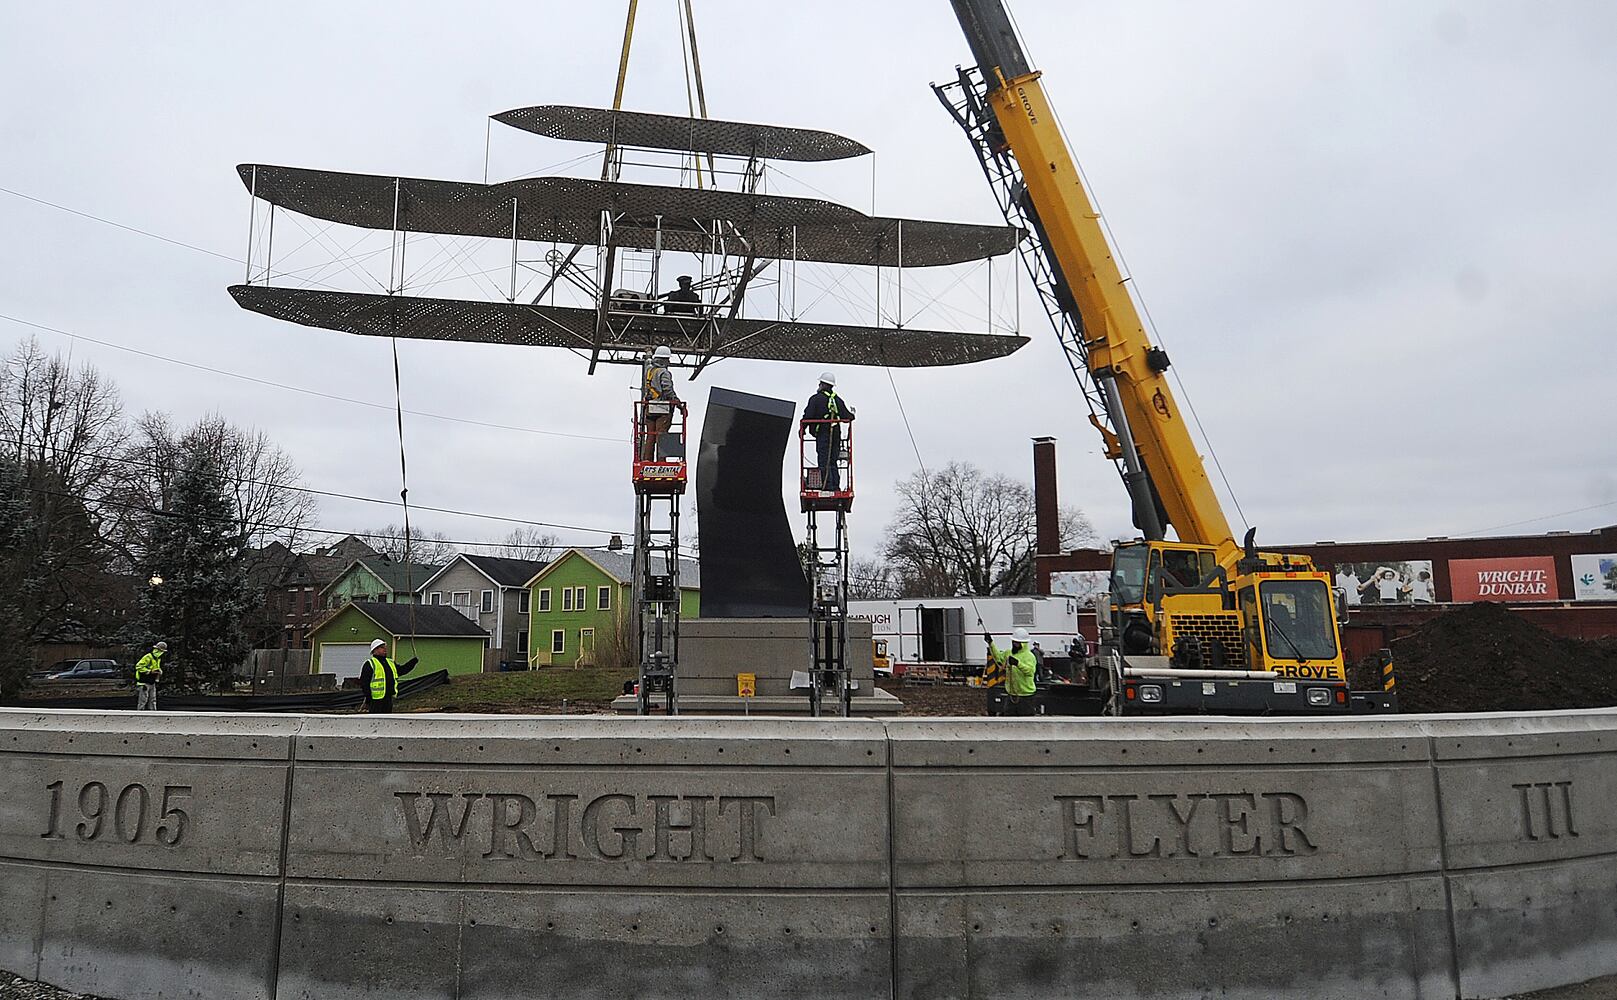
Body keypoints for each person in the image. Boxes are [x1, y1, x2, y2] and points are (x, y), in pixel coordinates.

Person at [800, 372, 854, 492]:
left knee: (824, 460)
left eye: (820, 383)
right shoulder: (837, 400)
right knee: (833, 460)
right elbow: (847, 416)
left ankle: (827, 487)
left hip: (824, 434)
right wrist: (852, 415)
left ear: (824, 385)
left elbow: (808, 416)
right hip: (836, 434)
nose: (818, 385)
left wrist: (802, 429)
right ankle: (835, 487)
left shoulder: (815, 399)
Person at [985, 627, 1039, 716]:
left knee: (1026, 723)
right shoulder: (1008, 653)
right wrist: (991, 643)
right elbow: (998, 658)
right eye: (1013, 642)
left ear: (1023, 644)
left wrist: (1018, 664)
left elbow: (1030, 672)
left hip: (1026, 697)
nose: (1014, 644)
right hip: (1011, 696)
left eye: (1017, 643)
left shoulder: (1029, 656)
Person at [358, 638, 418, 715]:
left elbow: (402, 670)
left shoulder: (390, 662)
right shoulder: (370, 664)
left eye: (385, 647)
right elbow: (364, 683)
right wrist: (369, 698)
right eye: (382, 647)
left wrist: (412, 662)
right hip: (375, 701)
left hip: (388, 699)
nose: (385, 649)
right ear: (375, 650)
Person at [641, 345, 679, 461]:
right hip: (662, 409)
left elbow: (648, 361)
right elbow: (667, 389)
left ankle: (647, 460)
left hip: (649, 408)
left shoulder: (649, 370)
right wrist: (677, 402)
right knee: (661, 436)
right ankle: (661, 461)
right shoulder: (664, 373)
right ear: (664, 360)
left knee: (650, 435)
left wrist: (648, 352)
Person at [134, 641, 166, 711]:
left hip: (151, 681)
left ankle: (154, 715)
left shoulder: (157, 659)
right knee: (143, 701)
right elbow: (138, 666)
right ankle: (140, 715)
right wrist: (149, 671)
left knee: (153, 700)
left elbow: (156, 667)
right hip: (144, 682)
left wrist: (159, 671)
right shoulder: (148, 657)